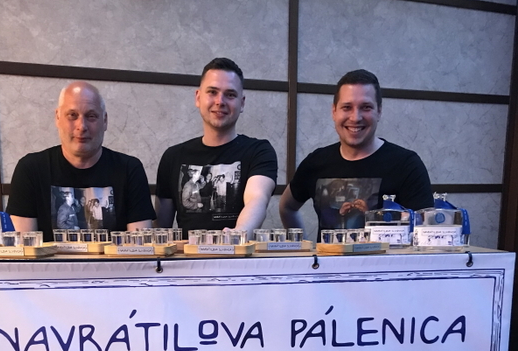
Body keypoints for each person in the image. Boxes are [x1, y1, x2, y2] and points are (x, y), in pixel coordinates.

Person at [279, 69, 433, 234]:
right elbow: (287, 207)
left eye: (366, 107)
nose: (355, 117)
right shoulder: (315, 162)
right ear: (334, 111)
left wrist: (371, 216)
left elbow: (426, 233)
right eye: (347, 107)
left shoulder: (406, 165)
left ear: (379, 111)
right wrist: (303, 245)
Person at [6, 81, 155, 241]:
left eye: (91, 116)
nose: (82, 126)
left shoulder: (129, 169)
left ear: (105, 120)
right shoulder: (30, 169)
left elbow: (140, 248)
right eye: (72, 115)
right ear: (58, 118)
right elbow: (24, 249)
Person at [155, 57, 278, 238]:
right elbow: (160, 229)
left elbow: (257, 198)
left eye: (230, 94)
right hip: (188, 255)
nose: (220, 101)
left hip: (238, 253)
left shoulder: (259, 151)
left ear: (242, 102)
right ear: (198, 97)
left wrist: (237, 234)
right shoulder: (173, 156)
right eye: (212, 92)